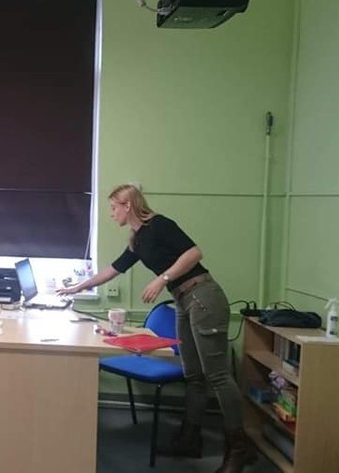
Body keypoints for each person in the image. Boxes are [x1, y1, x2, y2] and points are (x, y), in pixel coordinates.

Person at [57, 184, 256, 473]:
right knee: (194, 375)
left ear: (128, 205)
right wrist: (79, 286)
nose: (111, 214)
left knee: (218, 376)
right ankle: (190, 439)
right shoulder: (137, 240)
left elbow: (194, 253)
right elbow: (114, 269)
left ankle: (239, 447)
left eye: (113, 207)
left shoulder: (159, 225)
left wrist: (162, 279)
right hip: (184, 301)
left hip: (203, 297)